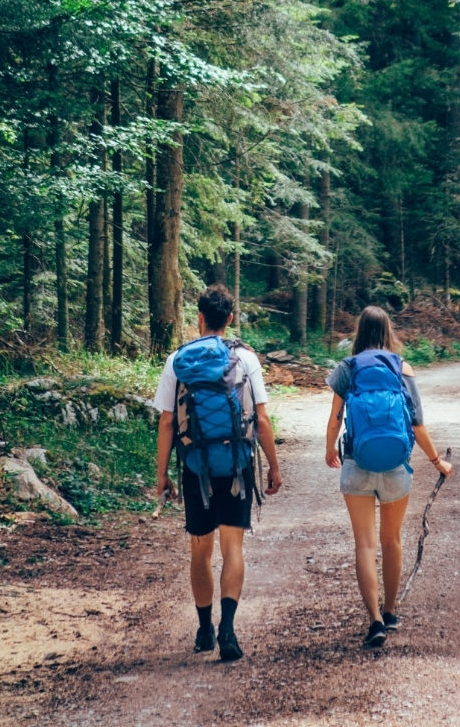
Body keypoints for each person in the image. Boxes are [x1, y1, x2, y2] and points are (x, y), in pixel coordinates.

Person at [154, 283, 283, 662]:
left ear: (199, 318)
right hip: (238, 465)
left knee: (200, 549)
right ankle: (228, 628)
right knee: (232, 548)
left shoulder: (177, 360)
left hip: (195, 468)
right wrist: (273, 466)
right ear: (229, 319)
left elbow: (165, 423)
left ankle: (204, 629)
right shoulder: (246, 359)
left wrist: (162, 475)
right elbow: (261, 419)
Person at [325, 305, 452, 648]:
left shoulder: (347, 368)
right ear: (388, 332)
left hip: (357, 464)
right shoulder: (402, 368)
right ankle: (391, 610)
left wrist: (329, 450)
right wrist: (437, 461)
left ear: (359, 332)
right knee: (391, 540)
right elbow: (416, 423)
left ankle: (375, 621)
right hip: (396, 466)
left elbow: (336, 419)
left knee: (365, 544)